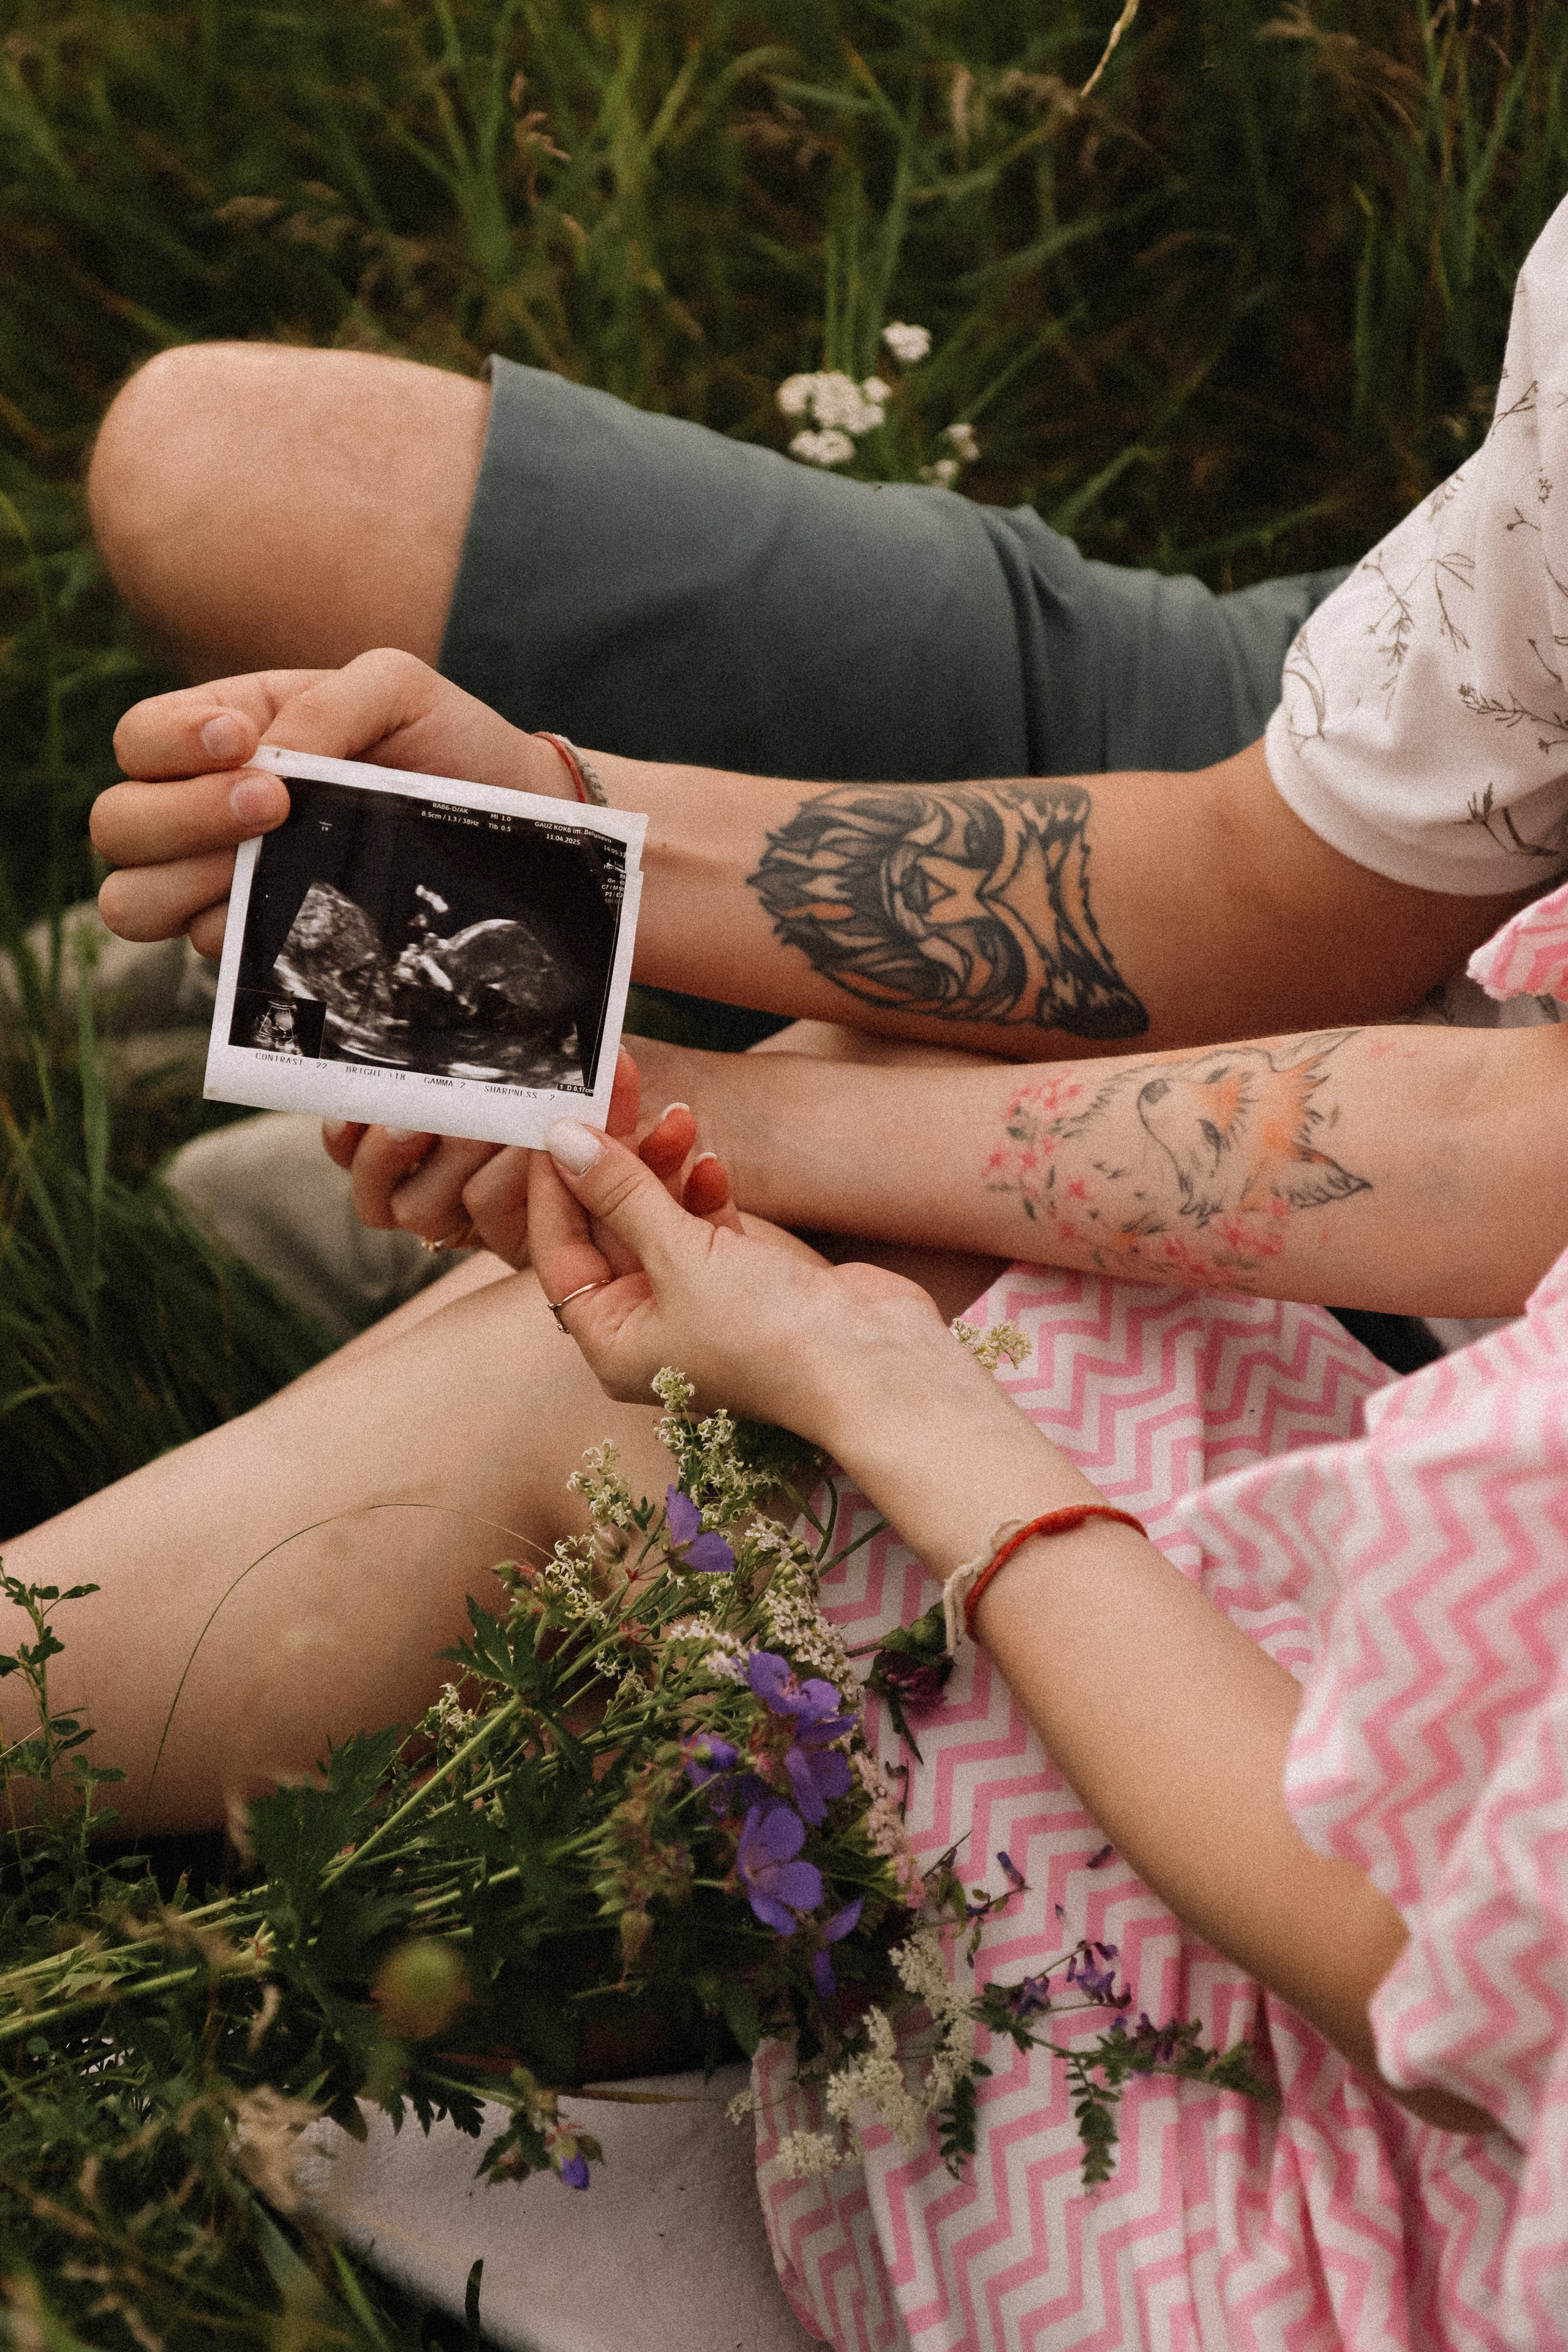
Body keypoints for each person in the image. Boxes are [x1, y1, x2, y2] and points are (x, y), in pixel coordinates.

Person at [8, 874, 1568, 2350]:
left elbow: (1405, 1944)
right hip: (1393, 1706)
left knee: (675, 1435)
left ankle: (180, 1755)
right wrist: (717, 1117)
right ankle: (355, 1790)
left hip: (1348, 2193)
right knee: (954, 1089)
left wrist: (874, 1380)